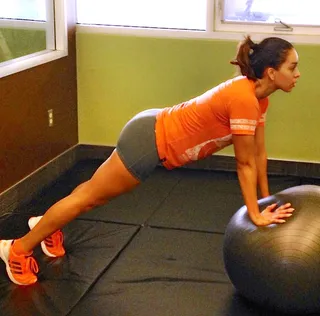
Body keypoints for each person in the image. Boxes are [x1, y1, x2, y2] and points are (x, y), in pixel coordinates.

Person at [0, 35, 300, 286]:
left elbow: (258, 154)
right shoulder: (244, 98)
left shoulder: (259, 98)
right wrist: (256, 214)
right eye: (293, 67)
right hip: (149, 142)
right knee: (89, 199)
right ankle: (16, 248)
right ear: (272, 72)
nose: (298, 74)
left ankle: (46, 224)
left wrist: (264, 201)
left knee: (90, 192)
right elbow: (244, 163)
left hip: (152, 129)